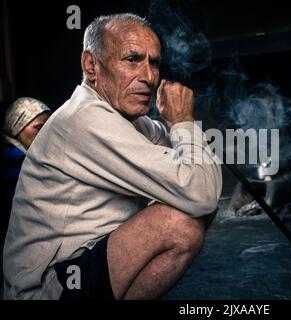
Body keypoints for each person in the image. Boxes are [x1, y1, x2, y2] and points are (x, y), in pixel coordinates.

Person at [2, 13, 222, 300]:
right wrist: (182, 122)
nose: (149, 77)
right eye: (132, 59)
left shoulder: (130, 121)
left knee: (187, 204)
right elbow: (201, 192)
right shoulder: (84, 119)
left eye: (153, 62)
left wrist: (182, 128)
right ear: (91, 65)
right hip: (47, 288)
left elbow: (201, 174)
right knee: (179, 223)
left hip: (87, 260)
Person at [0, 97, 51, 284]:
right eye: (38, 127)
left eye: (48, 126)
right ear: (17, 126)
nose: (45, 132)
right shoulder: (11, 158)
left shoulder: (28, 156)